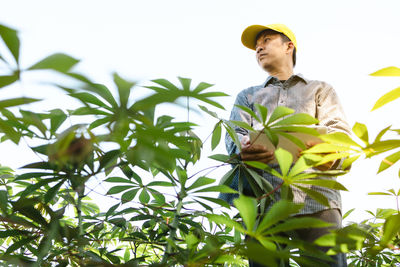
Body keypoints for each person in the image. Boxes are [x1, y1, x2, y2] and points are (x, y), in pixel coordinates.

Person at [220, 24, 350, 266]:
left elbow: (338, 132)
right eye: (257, 45)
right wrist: (243, 148)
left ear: (289, 46)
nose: (259, 47)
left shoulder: (319, 90)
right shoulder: (247, 96)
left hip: (317, 198)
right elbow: (234, 133)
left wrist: (330, 155)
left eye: (266, 40)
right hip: (261, 200)